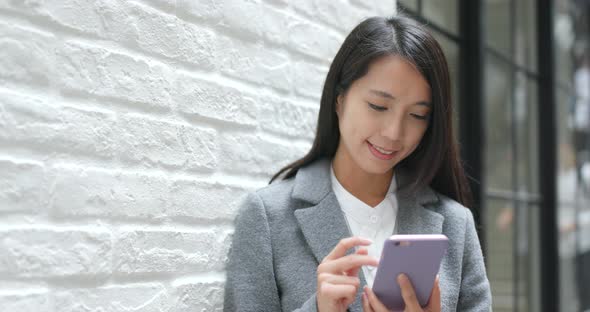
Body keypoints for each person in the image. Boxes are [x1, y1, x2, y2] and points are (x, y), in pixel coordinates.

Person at [223, 15, 492, 312]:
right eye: (378, 106)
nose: (393, 133)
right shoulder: (268, 218)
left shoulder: (455, 223)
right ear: (339, 100)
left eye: (417, 115)